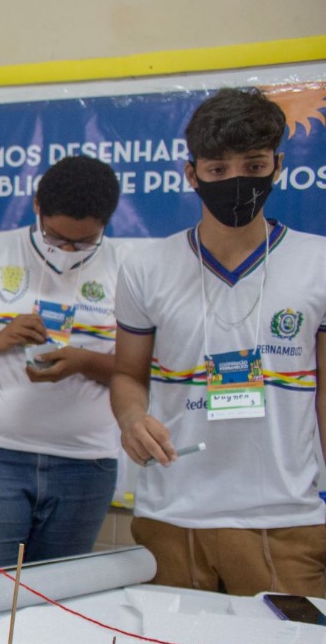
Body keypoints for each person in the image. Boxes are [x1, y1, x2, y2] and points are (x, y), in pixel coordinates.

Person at [112, 87, 326, 597]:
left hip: (286, 517)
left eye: (254, 167)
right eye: (217, 170)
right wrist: (130, 420)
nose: (237, 182)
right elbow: (126, 374)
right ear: (192, 174)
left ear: (277, 165)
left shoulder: (318, 261)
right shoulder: (146, 267)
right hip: (171, 514)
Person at [0, 155, 126, 566]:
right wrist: (0, 339)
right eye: (56, 237)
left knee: (55, 601)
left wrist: (84, 360)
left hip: (85, 462)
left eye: (83, 242)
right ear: (37, 206)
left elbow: (142, 370)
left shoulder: (127, 267)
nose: (67, 250)